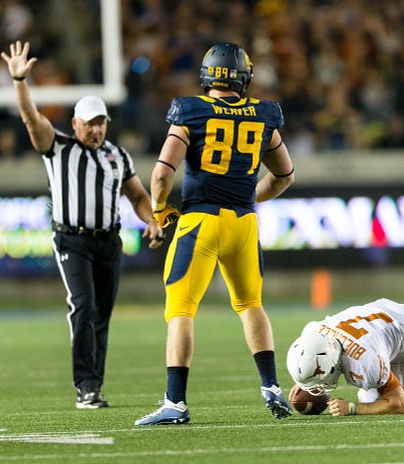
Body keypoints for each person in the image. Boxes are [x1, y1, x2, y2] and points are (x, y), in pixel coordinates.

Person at [135, 42, 295, 426]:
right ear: (244, 77)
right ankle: (271, 387)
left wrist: (158, 211)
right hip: (243, 223)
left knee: (181, 311)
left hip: (200, 221)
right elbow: (284, 175)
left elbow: (160, 174)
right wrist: (246, 199)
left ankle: (175, 403)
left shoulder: (191, 112)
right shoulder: (263, 114)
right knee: (250, 305)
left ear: (207, 74)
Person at [0, 41, 163, 409]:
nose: (96, 129)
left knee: (101, 315)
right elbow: (31, 118)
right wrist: (20, 81)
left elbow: (137, 195)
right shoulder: (58, 147)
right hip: (72, 239)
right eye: (90, 123)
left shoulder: (117, 156)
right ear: (75, 124)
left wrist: (151, 220)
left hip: (109, 241)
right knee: (84, 305)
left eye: (101, 122)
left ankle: (94, 387)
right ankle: (85, 385)